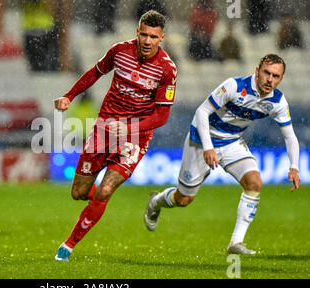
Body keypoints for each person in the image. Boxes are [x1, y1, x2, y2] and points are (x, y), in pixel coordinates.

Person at [144, 54, 300, 255]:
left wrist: (294, 166)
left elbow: (290, 136)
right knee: (183, 199)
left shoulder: (278, 102)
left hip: (231, 141)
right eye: (266, 73)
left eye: (276, 76)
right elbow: (202, 112)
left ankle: (236, 243)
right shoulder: (234, 86)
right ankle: (156, 201)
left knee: (254, 183)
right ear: (257, 71)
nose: (270, 79)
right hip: (201, 139)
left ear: (281, 79)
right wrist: (208, 147)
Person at [53, 10, 177, 261]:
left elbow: (161, 116)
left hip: (135, 137)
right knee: (78, 193)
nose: (147, 40)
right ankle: (98, 201)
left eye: (153, 36)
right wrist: (69, 95)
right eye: (144, 34)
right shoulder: (120, 51)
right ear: (137, 32)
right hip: (104, 129)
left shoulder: (167, 70)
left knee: (105, 190)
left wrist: (130, 129)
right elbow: (95, 72)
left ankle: (68, 245)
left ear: (161, 37)